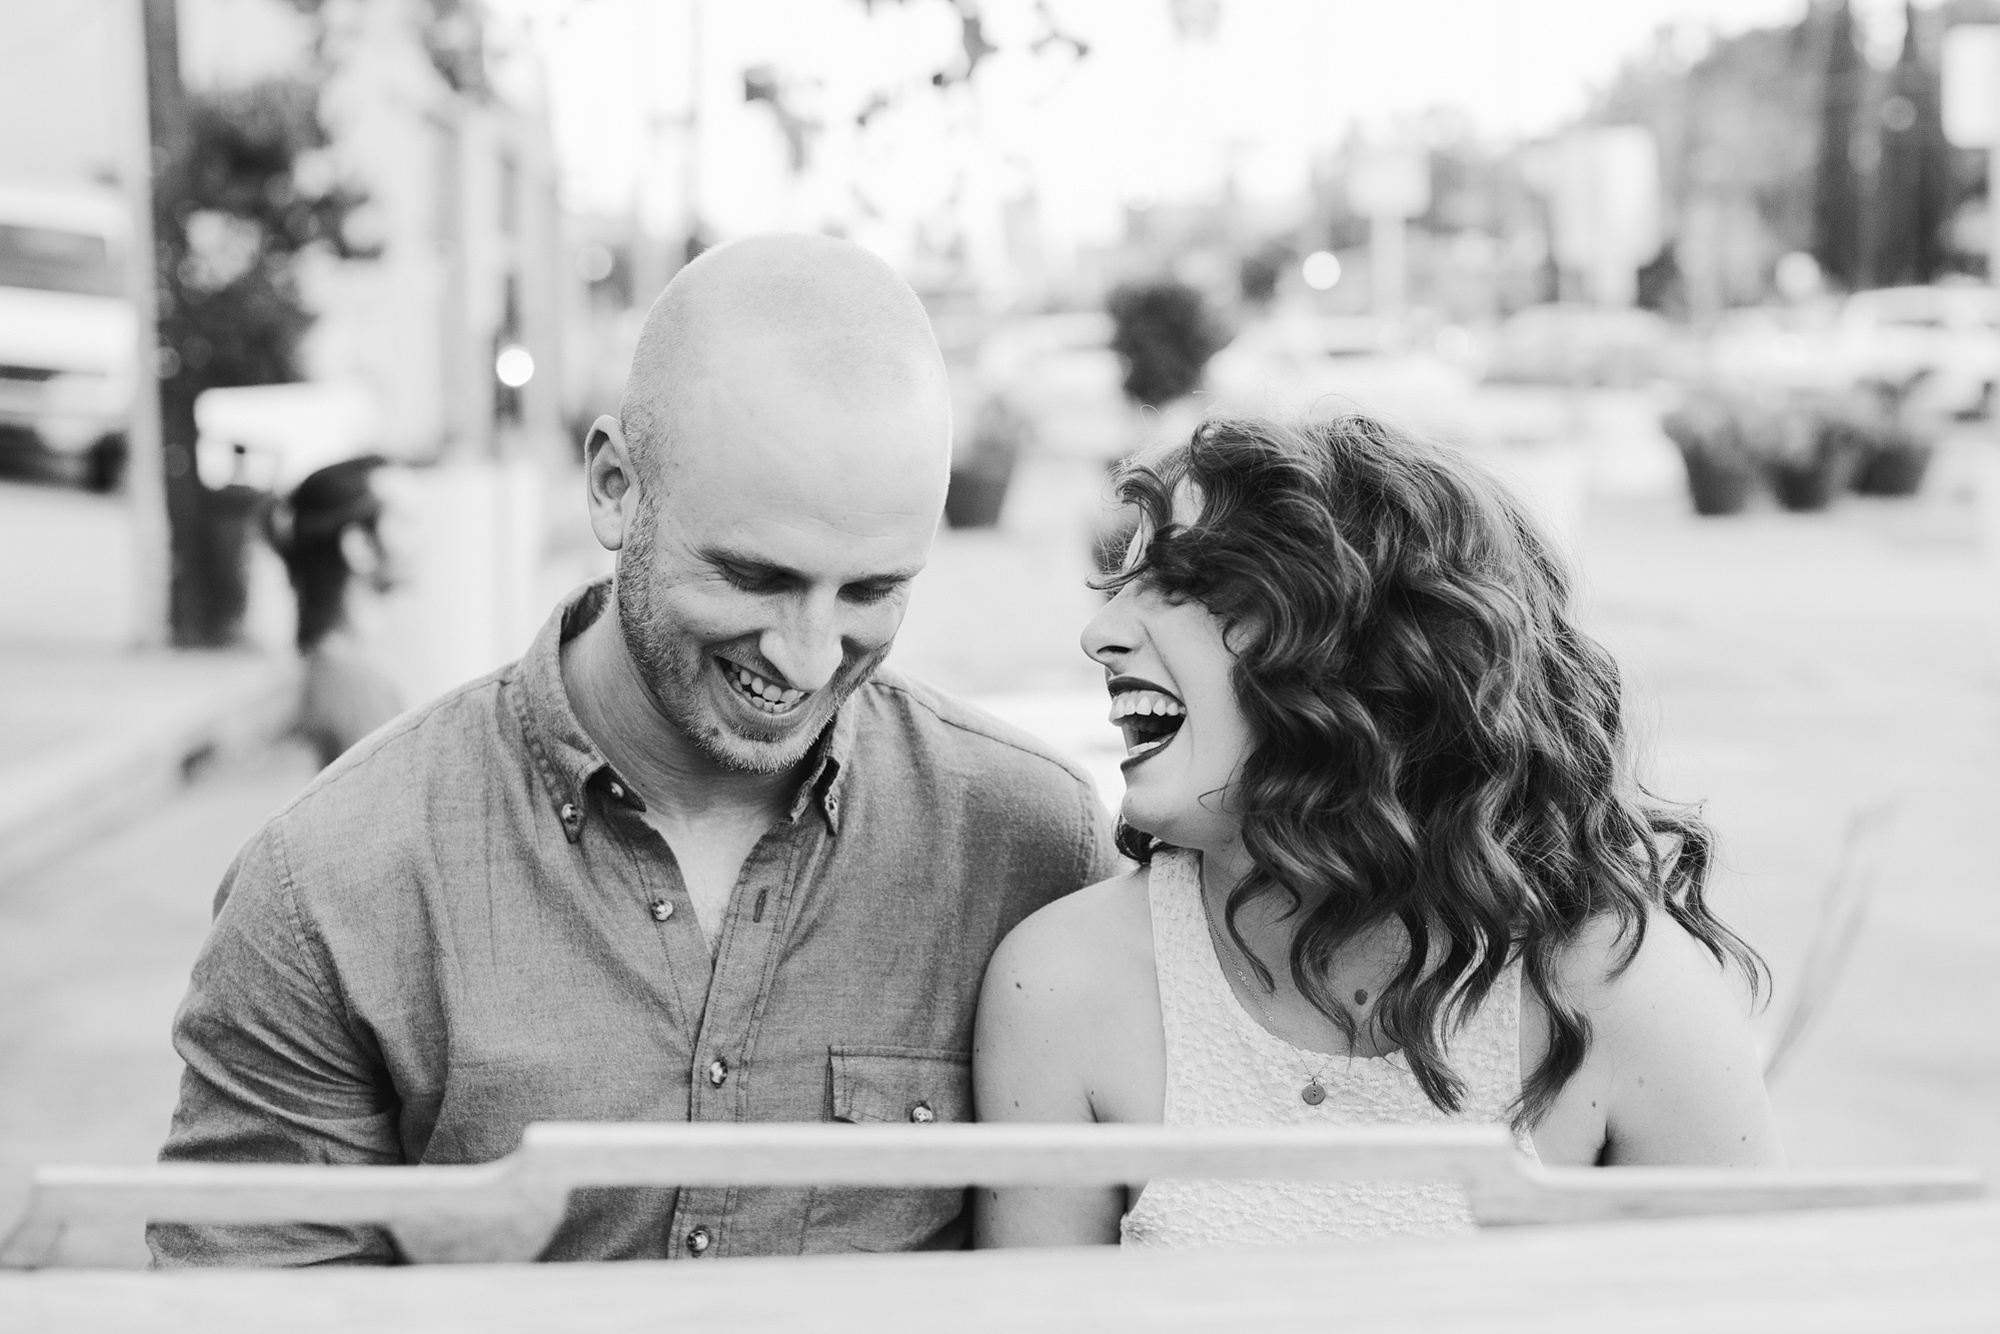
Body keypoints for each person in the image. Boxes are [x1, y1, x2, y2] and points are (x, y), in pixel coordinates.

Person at [152, 234, 1120, 1266]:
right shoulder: (331, 883)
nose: (805, 654)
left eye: (873, 591)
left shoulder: (1033, 847)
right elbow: (246, 1298)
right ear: (615, 486)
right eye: (755, 575)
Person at [974, 414, 1782, 1249]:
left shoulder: (1620, 989)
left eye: (1187, 585)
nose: (1099, 633)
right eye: (1124, 583)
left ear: (1371, 654)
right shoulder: (1062, 985)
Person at [262, 455, 414, 767]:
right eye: (405, 521)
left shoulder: (330, 669)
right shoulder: (359, 691)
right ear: (359, 545)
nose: (422, 539)